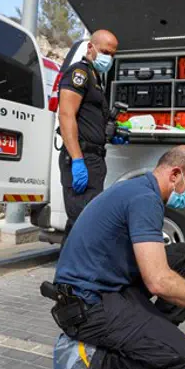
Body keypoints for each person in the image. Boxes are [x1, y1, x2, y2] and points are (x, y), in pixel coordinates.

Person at [51, 145, 185, 369]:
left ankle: (157, 340)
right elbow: (159, 281)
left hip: (106, 289)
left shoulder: (138, 189)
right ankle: (91, 360)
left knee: (183, 256)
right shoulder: (145, 199)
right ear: (175, 174)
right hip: (87, 307)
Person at [57, 29, 125, 240]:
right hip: (81, 158)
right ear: (90, 48)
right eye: (105, 51)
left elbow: (90, 120)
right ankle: (72, 272)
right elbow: (66, 115)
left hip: (94, 159)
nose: (108, 58)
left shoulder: (96, 78)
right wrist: (78, 160)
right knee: (82, 224)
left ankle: (73, 271)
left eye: (113, 54)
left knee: (85, 223)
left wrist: (110, 135)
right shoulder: (79, 73)